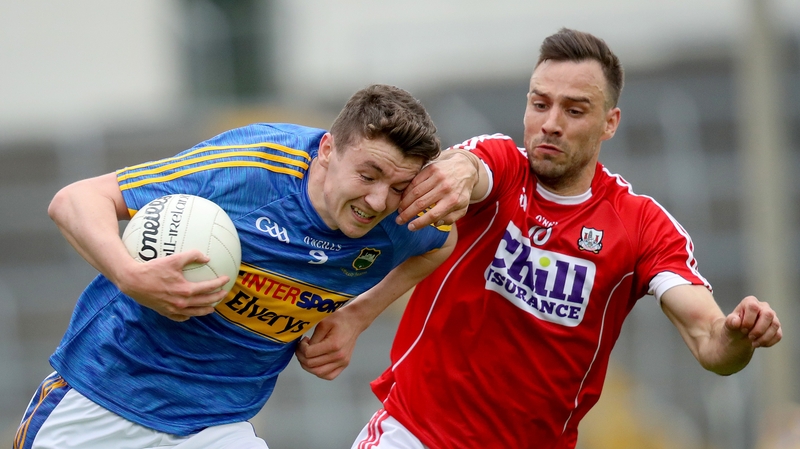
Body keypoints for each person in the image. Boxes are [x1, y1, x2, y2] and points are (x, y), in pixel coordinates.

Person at [297, 29, 783, 448]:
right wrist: (458, 174)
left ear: (609, 123)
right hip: (414, 432)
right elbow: (471, 168)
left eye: (574, 109)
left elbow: (711, 344)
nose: (550, 123)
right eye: (539, 103)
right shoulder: (502, 166)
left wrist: (736, 336)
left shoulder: (641, 227)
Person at [14, 84, 456, 449]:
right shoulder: (252, 169)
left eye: (397, 185)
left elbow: (442, 241)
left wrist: (357, 316)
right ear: (327, 149)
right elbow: (75, 200)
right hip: (103, 400)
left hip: (218, 426)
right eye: (367, 175)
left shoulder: (401, 216)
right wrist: (131, 276)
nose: (378, 201)